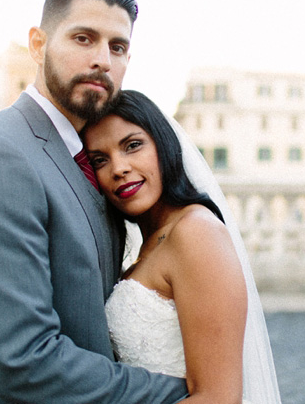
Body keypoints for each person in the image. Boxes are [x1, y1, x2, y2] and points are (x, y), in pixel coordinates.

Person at [0, 0, 188, 403]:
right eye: (83, 39)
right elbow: (23, 360)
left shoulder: (94, 159)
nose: (102, 60)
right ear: (38, 45)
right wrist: (184, 391)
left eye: (118, 47)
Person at [84, 90, 283, 403]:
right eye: (100, 159)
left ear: (163, 145)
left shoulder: (195, 232)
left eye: (132, 145)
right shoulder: (153, 241)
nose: (119, 168)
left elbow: (218, 397)